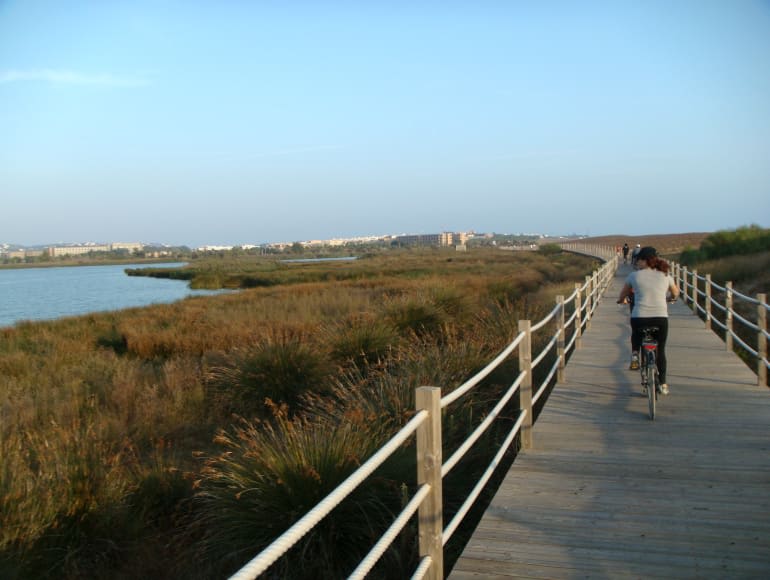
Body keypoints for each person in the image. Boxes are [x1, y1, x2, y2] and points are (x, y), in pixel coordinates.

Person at [617, 246, 680, 395]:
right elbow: (676, 293)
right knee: (661, 349)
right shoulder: (666, 275)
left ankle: (634, 354)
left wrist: (621, 300)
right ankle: (663, 384)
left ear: (645, 260)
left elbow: (623, 294)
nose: (637, 262)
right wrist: (671, 299)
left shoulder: (634, 276)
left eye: (639, 260)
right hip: (660, 318)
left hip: (639, 317)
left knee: (636, 333)